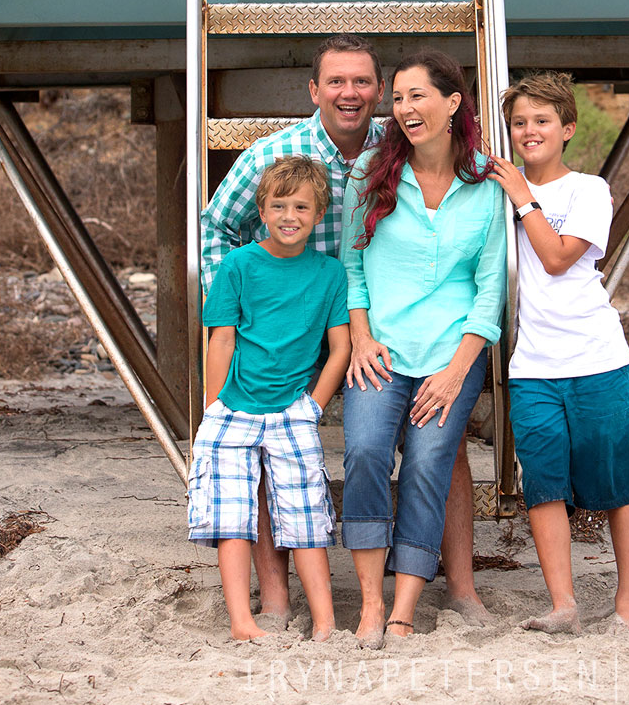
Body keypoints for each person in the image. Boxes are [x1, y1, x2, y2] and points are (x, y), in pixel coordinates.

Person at [196, 38, 484, 631]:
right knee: (263, 441)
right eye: (335, 82)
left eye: (361, 83)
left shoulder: (397, 149)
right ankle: (276, 594)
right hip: (286, 330)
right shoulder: (274, 155)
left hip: (367, 324)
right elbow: (215, 228)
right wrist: (245, 306)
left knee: (441, 443)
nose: (349, 93)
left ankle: (459, 585)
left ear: (378, 92)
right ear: (313, 90)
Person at [340, 51, 506, 644]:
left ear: (453, 102)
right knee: (362, 451)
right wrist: (360, 338)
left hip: (451, 356)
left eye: (418, 97)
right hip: (379, 351)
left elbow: (491, 289)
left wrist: (458, 371)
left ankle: (405, 607)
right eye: (399, 99)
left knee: (431, 461)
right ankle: (368, 604)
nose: (405, 110)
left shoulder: (486, 183)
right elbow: (352, 268)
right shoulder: (370, 173)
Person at [485, 71, 629, 635]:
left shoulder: (588, 190)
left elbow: (556, 259)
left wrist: (523, 199)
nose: (529, 131)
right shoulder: (498, 193)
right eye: (519, 123)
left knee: (619, 480)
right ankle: (564, 604)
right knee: (544, 482)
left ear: (568, 128)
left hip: (596, 357)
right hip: (531, 363)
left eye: (542, 121)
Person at [189, 155, 349, 642]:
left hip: (292, 413)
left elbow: (340, 347)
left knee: (305, 515)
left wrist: (315, 406)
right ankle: (243, 622)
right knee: (232, 517)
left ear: (319, 214)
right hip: (233, 409)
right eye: (278, 205)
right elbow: (221, 339)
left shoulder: (329, 274)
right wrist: (213, 408)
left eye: (301, 207)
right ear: (262, 209)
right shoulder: (238, 265)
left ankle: (324, 621)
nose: (289, 216)